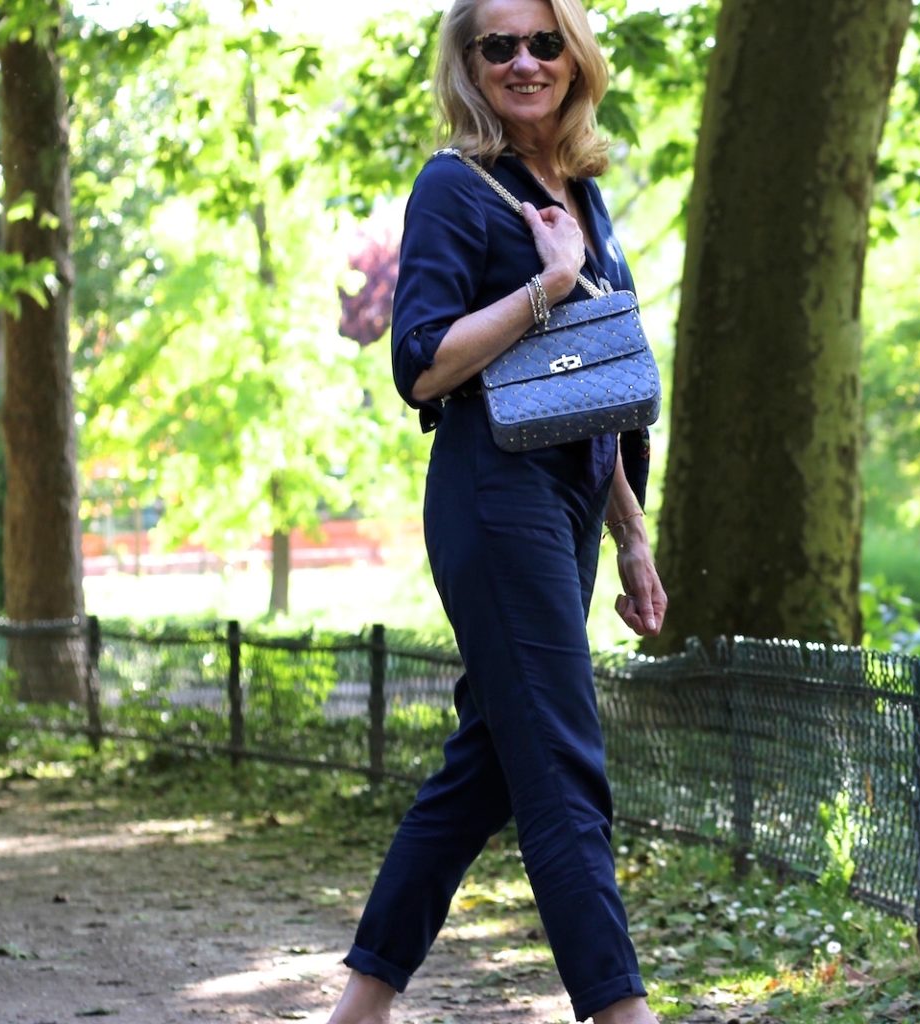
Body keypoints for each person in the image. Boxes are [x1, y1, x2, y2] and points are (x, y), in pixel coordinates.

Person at [324, 1, 665, 1022]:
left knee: (490, 760)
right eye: (498, 46)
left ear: (576, 57)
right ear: (468, 65)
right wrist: (546, 286)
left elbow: (592, 385)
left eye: (543, 42)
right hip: (491, 489)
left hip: (568, 504)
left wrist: (634, 535)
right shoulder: (456, 187)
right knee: (563, 759)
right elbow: (420, 364)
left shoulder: (587, 198)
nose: (524, 61)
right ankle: (621, 1010)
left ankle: (361, 1003)